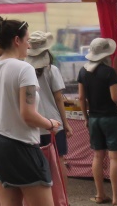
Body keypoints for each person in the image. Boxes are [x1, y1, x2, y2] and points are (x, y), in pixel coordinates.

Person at [0, 14, 60, 206]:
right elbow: (28, 114)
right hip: (20, 146)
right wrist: (51, 124)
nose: (29, 46)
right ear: (17, 40)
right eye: (27, 40)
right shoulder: (25, 69)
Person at [77, 37, 117, 206]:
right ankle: (116, 198)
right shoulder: (108, 72)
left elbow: (81, 98)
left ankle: (100, 195)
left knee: (97, 156)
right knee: (114, 158)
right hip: (111, 118)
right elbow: (115, 97)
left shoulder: (83, 72)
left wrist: (86, 117)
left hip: (94, 119)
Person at [26, 31, 71, 189]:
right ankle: (62, 199)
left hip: (33, 123)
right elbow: (59, 99)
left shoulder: (24, 71)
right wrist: (66, 124)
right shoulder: (52, 70)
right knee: (59, 162)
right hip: (54, 123)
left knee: (37, 164)